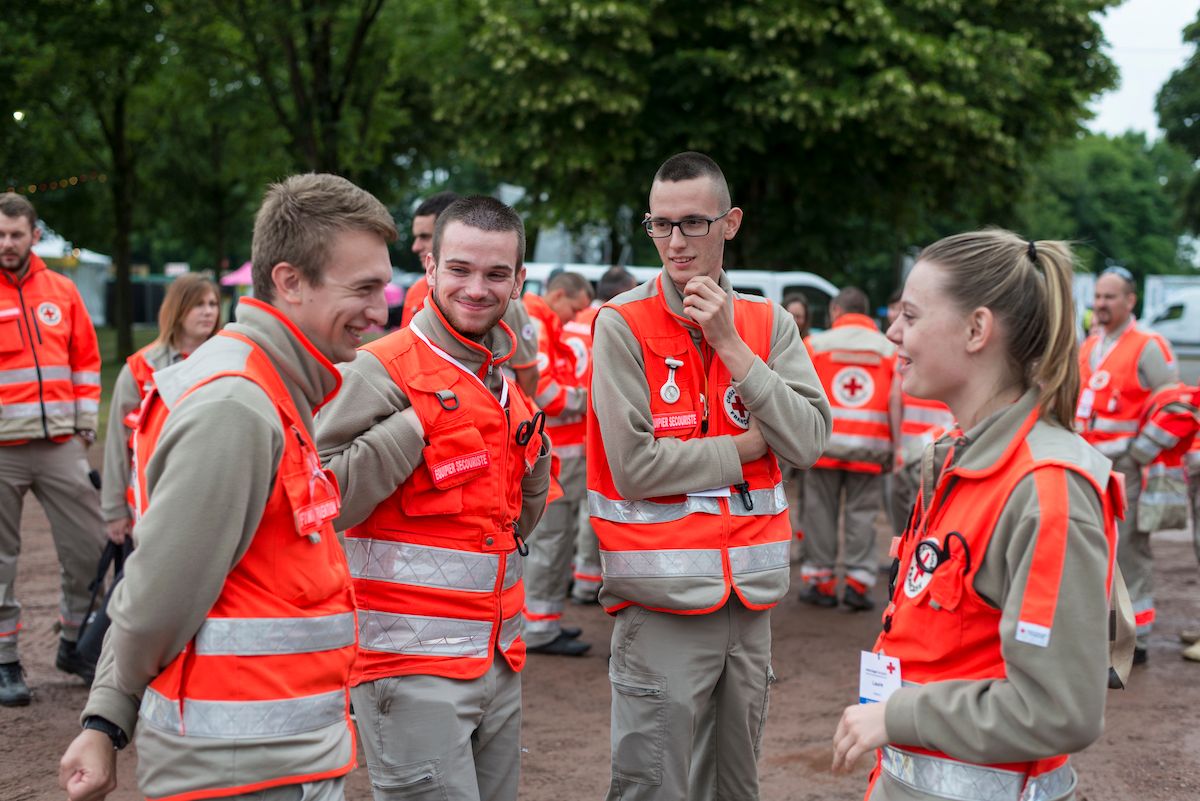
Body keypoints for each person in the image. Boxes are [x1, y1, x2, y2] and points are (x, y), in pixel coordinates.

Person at [58, 173, 397, 801]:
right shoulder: (240, 406)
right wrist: (105, 720)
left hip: (267, 759)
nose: (381, 311)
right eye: (365, 289)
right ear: (290, 282)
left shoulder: (271, 388)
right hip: (240, 770)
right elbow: (157, 595)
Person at [832, 230, 1123, 801]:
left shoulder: (1046, 489)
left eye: (910, 315)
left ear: (976, 330)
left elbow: (1061, 709)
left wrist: (901, 715)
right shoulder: (956, 457)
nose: (893, 332)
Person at [588, 151, 830, 801]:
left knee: (735, 785)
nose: (674, 241)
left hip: (748, 603)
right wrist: (750, 443)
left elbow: (807, 441)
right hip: (661, 603)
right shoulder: (621, 324)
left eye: (693, 222)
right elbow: (635, 468)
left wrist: (730, 344)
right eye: (659, 224)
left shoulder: (765, 323)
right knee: (653, 784)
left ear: (730, 223)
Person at [316, 195, 552, 801]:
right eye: (460, 269)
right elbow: (318, 498)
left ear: (519, 281)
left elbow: (518, 518)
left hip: (499, 659)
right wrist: (410, 429)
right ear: (430, 268)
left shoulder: (500, 384)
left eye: (497, 274)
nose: (477, 288)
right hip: (408, 668)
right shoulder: (378, 369)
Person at [0, 192, 104, 706]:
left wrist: (85, 424)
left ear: (34, 235)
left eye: (15, 234)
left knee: (90, 547)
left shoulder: (61, 290)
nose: (6, 243)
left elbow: (86, 358)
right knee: (0, 560)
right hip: (2, 449)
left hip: (61, 442)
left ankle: (74, 644)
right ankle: (5, 663)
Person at [1076, 265, 1178, 663]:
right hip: (1088, 466)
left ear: (1130, 300)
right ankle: (1102, 633)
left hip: (1125, 468)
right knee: (1094, 549)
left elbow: (1176, 406)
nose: (1100, 304)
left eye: (1109, 297)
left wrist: (1140, 454)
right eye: (1098, 296)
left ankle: (1134, 642)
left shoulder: (1149, 344)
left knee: (1129, 551)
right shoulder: (1091, 344)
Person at [99, 274, 221, 544]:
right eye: (198, 304)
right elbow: (118, 446)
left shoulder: (228, 359)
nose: (209, 311)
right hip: (156, 499)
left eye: (213, 303)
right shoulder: (141, 367)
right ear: (178, 309)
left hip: (213, 493)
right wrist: (114, 511)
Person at [800, 287, 900, 611]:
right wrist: (895, 446)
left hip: (823, 446)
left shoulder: (814, 345)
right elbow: (897, 399)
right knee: (862, 516)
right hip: (870, 449)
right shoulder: (889, 350)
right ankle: (858, 583)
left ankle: (822, 582)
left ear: (835, 311)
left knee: (818, 513)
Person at [401, 191, 540, 397]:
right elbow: (406, 355)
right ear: (432, 270)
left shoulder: (504, 302)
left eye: (425, 237)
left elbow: (527, 377)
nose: (476, 292)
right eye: (459, 270)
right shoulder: (415, 292)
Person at [522, 270, 595, 654]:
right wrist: (590, 399)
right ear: (560, 293)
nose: (573, 318)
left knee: (556, 541)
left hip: (557, 458)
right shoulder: (535, 320)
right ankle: (537, 629)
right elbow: (545, 393)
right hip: (548, 457)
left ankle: (545, 623)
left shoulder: (542, 321)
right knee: (549, 543)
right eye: (574, 309)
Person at [567, 266, 637, 604]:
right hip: (594, 426)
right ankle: (586, 579)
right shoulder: (615, 320)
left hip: (560, 429)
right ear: (623, 289)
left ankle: (572, 575)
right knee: (592, 506)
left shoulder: (570, 318)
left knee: (560, 512)